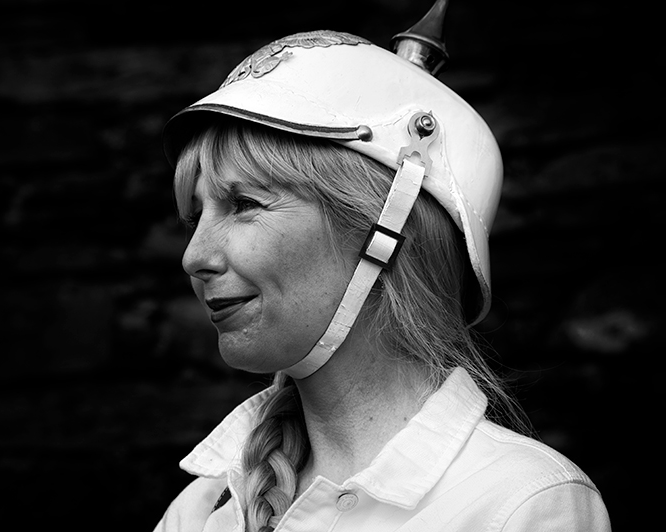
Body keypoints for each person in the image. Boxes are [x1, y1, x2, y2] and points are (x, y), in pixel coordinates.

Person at [154, 1, 611, 530]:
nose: (194, 257)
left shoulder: (520, 504)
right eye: (193, 217)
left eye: (244, 205)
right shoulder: (204, 510)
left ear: (388, 230)